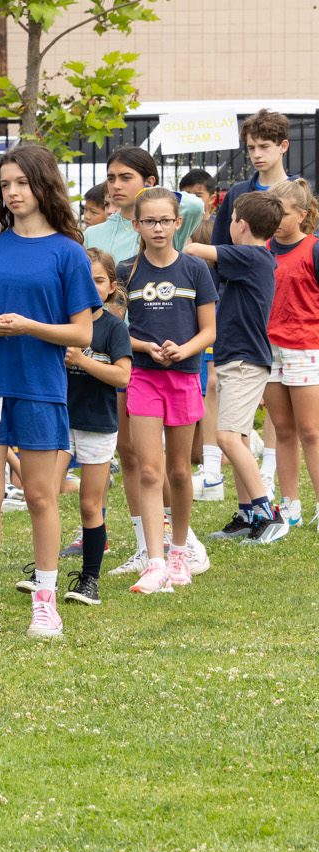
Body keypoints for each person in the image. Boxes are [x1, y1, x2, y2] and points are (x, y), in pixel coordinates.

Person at [0, 144, 99, 640]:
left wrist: (30, 326)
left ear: (42, 185)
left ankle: (45, 605)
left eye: (21, 183)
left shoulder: (68, 253)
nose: (12, 192)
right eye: (5, 184)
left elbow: (82, 334)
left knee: (40, 496)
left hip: (41, 389)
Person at [86, 145, 206, 576]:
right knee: (129, 452)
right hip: (118, 354)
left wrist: (150, 199)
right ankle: (145, 545)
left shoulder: (168, 221)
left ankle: (182, 542)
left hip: (166, 365)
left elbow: (193, 205)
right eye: (111, 178)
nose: (115, 186)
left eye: (126, 178)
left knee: (170, 464)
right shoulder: (96, 235)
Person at [116, 186, 218, 594]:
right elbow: (114, 331)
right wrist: (145, 348)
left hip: (185, 377)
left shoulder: (195, 270)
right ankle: (154, 560)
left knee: (179, 470)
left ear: (178, 222)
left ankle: (179, 552)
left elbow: (209, 330)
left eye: (164, 220)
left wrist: (184, 350)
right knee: (149, 469)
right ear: (136, 225)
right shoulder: (126, 271)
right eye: (149, 221)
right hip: (143, 377)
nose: (157, 228)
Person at [186, 191, 287, 542]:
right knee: (239, 437)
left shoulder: (253, 256)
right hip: (236, 358)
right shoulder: (248, 259)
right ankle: (248, 515)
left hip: (245, 361)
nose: (228, 225)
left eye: (230, 219)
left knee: (227, 437)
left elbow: (196, 250)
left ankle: (268, 514)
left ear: (241, 224)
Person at [54, 249, 133, 606]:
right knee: (45, 495)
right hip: (60, 421)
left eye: (98, 280)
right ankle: (43, 574)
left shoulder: (114, 328)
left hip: (98, 425)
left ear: (111, 286)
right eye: (82, 280)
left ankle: (89, 580)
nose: (90, 287)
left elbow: (122, 376)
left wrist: (83, 361)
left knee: (90, 504)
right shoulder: (60, 322)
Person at [263, 178, 319, 531]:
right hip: (268, 348)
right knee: (283, 429)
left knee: (311, 430)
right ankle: (290, 505)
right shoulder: (262, 249)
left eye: (282, 213)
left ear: (302, 214)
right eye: (272, 213)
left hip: (305, 346)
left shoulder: (313, 249)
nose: (276, 220)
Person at [211, 109, 294, 247]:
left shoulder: (298, 192)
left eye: (264, 146)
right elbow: (220, 246)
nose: (256, 154)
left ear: (283, 146)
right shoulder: (237, 192)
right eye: (251, 148)